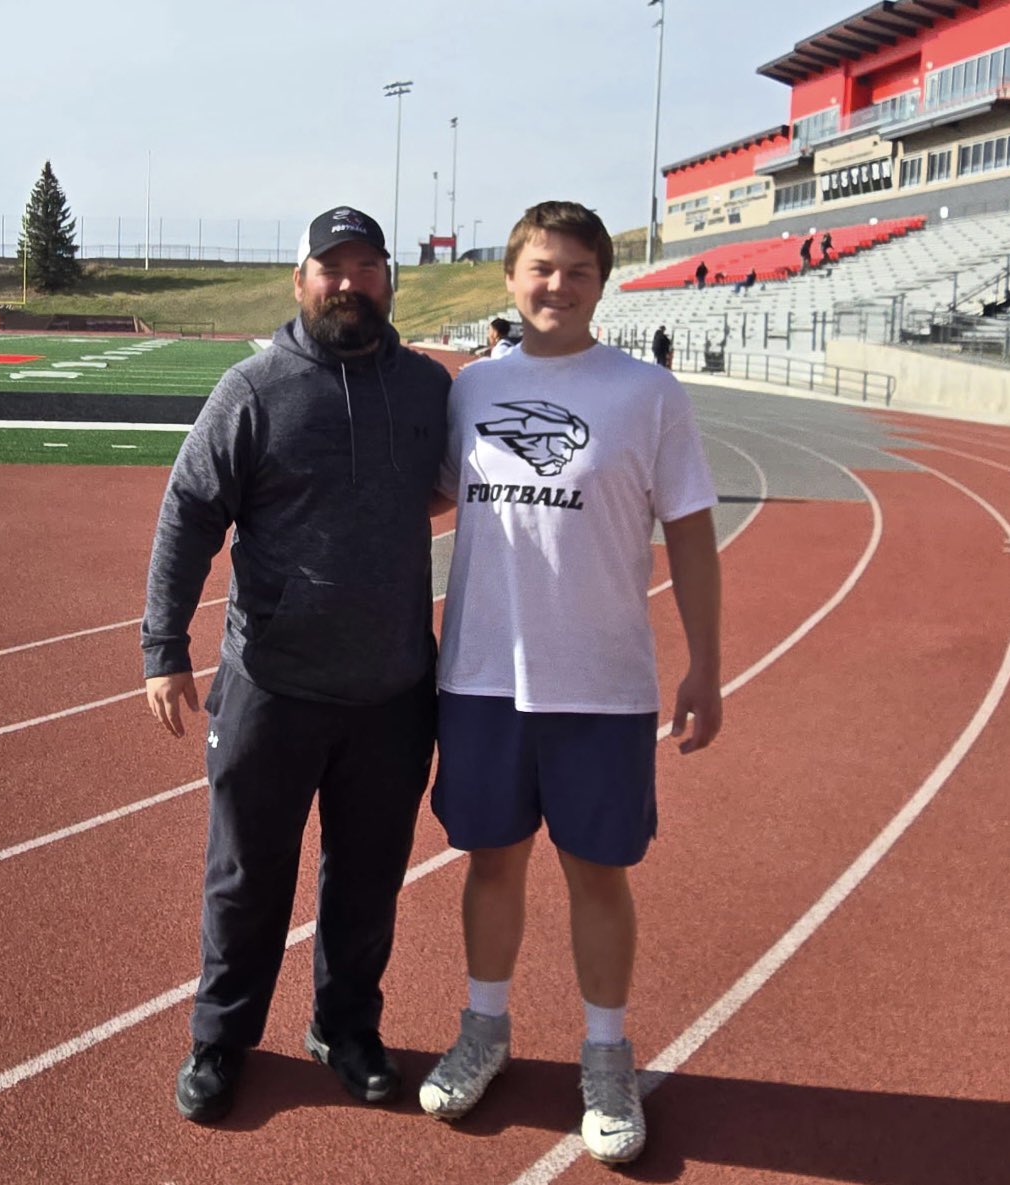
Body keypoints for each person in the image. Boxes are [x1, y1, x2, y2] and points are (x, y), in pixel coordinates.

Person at [419, 201, 722, 1165]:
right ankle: (486, 1027)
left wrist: (707, 663)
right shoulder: (469, 390)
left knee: (599, 873)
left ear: (604, 281)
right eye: (541, 268)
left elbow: (691, 531)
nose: (558, 285)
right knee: (491, 861)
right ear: (510, 278)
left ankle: (605, 1053)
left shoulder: (648, 394)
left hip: (602, 684)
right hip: (479, 675)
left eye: (578, 269)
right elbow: (418, 497)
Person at [142, 205, 450, 1124]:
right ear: (300, 279)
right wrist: (164, 650)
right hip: (271, 685)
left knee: (368, 877)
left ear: (389, 279)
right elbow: (190, 511)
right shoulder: (253, 389)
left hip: (393, 690)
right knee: (246, 874)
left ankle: (346, 1028)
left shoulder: (431, 390)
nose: (349, 283)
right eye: (331, 267)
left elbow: (455, 487)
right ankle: (221, 1036)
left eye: (365, 266)